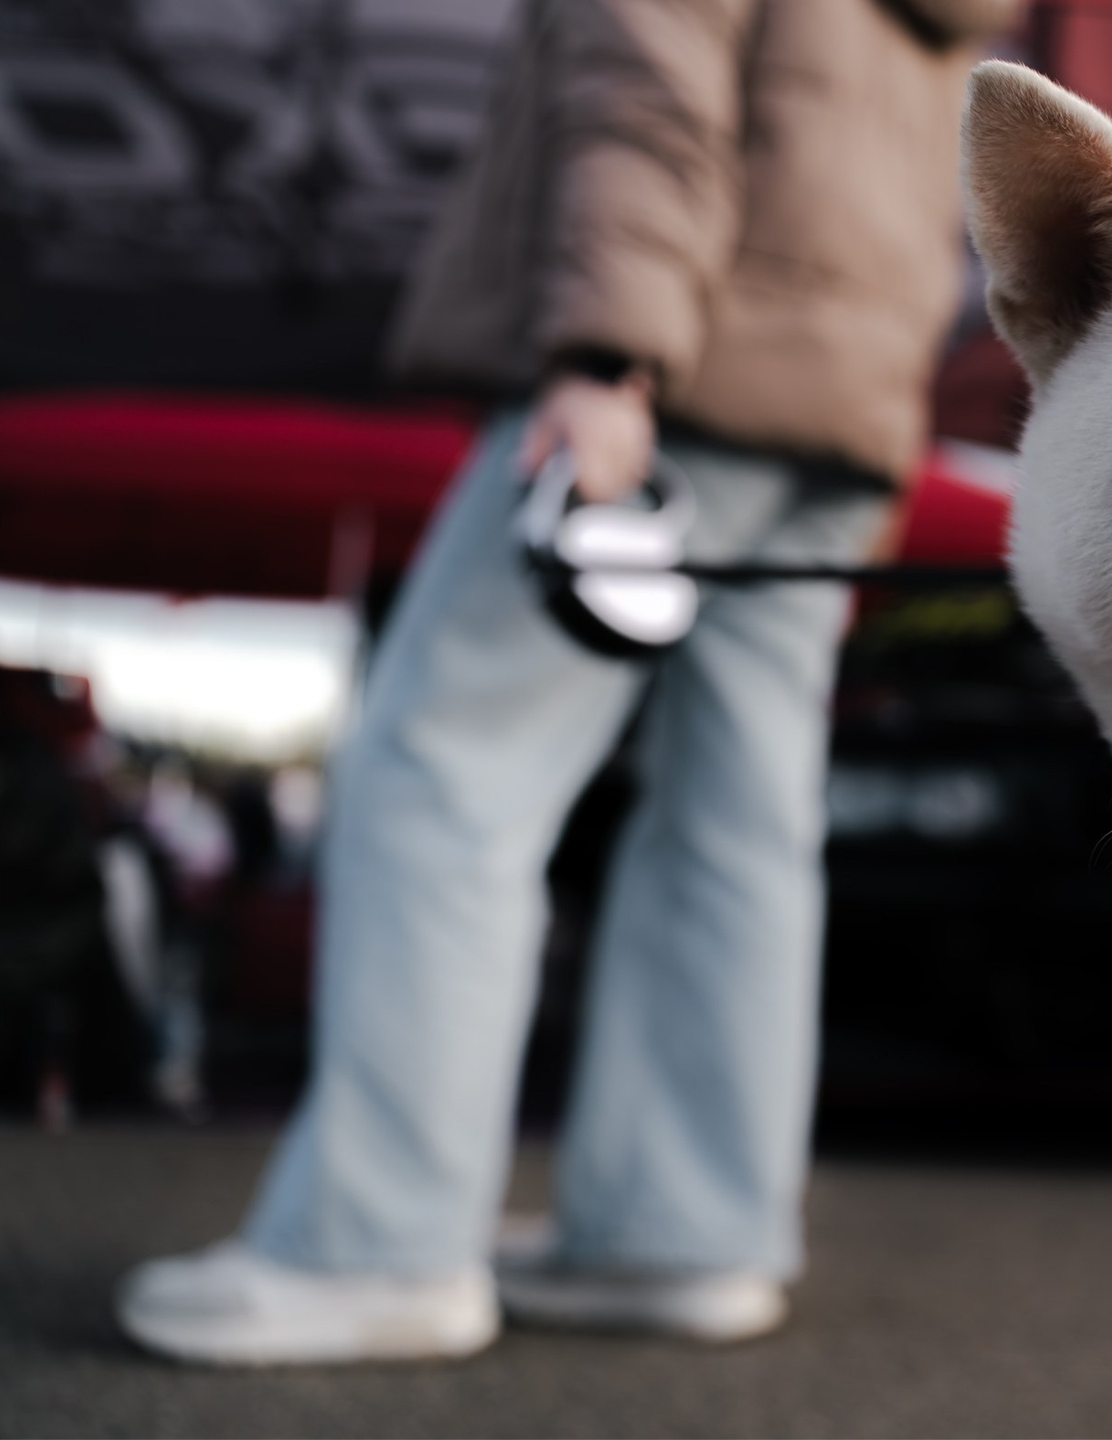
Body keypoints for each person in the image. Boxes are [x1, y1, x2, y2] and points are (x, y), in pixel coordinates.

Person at [117, 0, 1021, 1365]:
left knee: (439, 765)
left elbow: (642, 86)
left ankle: (378, 1246)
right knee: (738, 821)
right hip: (842, 403)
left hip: (682, 362)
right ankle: (683, 1234)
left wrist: (605, 358)